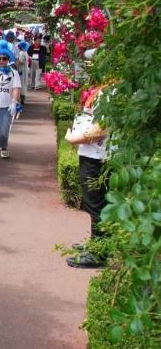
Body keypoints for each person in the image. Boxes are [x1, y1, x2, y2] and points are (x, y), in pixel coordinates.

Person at [64, 85, 109, 268]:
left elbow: (101, 129)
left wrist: (74, 139)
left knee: (96, 204)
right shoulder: (104, 89)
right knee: (93, 203)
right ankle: (96, 243)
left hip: (99, 156)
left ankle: (99, 254)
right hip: (92, 154)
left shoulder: (113, 92)